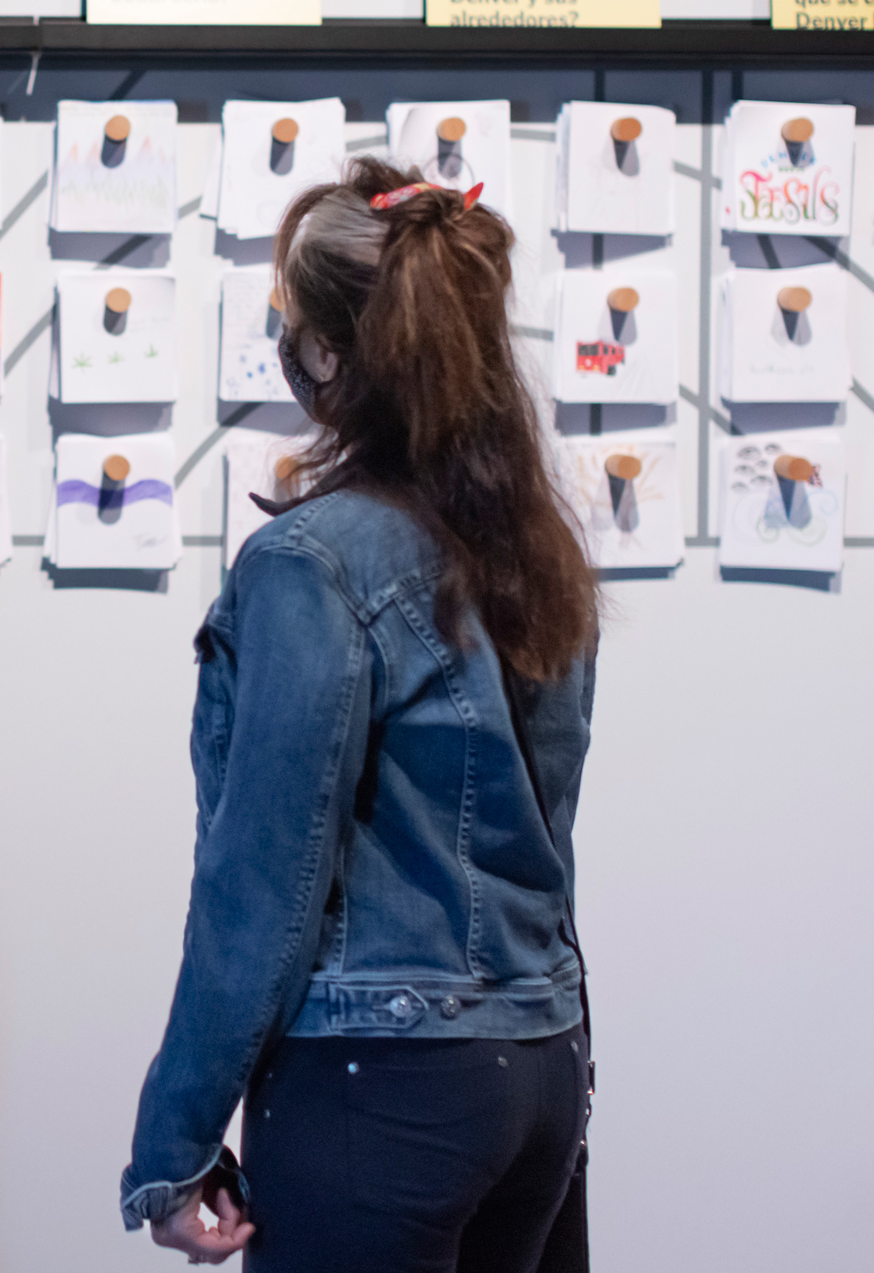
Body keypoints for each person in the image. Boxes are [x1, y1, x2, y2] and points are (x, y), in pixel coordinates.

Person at [121, 159, 600, 1272]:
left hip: (379, 1084)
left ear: (328, 353)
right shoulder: (536, 548)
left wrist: (175, 1138)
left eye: (285, 321)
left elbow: (262, 879)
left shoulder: (311, 562)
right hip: (536, 1069)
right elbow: (548, 838)